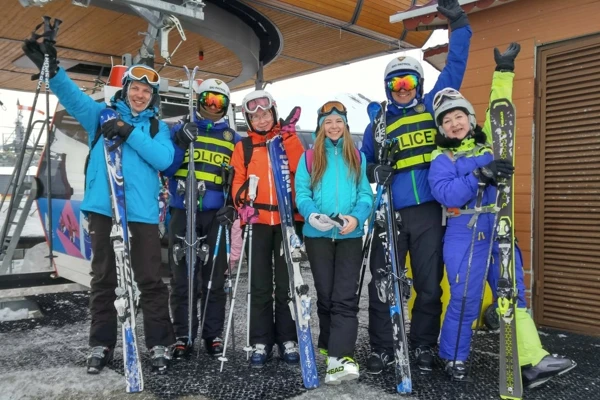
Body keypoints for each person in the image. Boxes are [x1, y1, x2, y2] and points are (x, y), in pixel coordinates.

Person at [22, 40, 176, 373]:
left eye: (146, 91)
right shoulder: (101, 117)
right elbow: (74, 98)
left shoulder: (156, 128)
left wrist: (128, 131)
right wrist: (53, 70)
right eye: (135, 88)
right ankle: (101, 344)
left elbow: (164, 160)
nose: (140, 95)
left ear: (152, 97)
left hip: (142, 214)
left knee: (150, 279)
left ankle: (160, 343)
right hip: (105, 210)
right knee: (104, 278)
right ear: (126, 89)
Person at [428, 43, 576, 386]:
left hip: (499, 227)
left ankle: (531, 360)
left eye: (458, 116)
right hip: (465, 230)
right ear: (442, 129)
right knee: (466, 298)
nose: (454, 124)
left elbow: (500, 114)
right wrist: (479, 175)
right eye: (447, 121)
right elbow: (446, 193)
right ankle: (453, 357)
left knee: (513, 295)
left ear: (470, 118)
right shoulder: (442, 159)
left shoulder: (490, 148)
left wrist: (504, 72)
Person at [360, 0, 473, 373]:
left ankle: (424, 344)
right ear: (388, 88)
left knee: (428, 283)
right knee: (382, 282)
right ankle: (382, 347)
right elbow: (363, 163)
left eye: (408, 82)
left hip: (427, 211)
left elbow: (455, 66)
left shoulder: (432, 108)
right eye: (396, 83)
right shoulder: (379, 124)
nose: (402, 89)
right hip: (389, 212)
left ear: (419, 84)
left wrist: (459, 23)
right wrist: (374, 170)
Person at [294, 101, 373, 384]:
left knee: (345, 297)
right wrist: (311, 215)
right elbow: (301, 193)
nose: (334, 126)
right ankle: (329, 346)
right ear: (321, 127)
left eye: (339, 121)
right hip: (318, 236)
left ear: (346, 125)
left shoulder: (357, 157)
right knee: (326, 295)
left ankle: (341, 358)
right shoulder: (309, 158)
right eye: (328, 122)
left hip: (349, 235)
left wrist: (357, 217)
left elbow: (366, 194)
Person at [161, 78, 241, 358]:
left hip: (216, 215)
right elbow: (167, 168)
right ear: (199, 100)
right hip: (183, 212)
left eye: (219, 102)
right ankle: (183, 334)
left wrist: (232, 205)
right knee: (182, 277)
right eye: (208, 99)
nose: (213, 106)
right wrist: (180, 142)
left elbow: (239, 178)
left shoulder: (233, 139)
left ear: (226, 105)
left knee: (214, 277)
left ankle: (212, 334)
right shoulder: (179, 130)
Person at [230, 90, 305, 367]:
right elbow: (237, 181)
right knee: (260, 284)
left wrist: (290, 139)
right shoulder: (244, 147)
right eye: (255, 116)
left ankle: (288, 338)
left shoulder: (287, 139)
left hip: (287, 221)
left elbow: (302, 171)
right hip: (257, 222)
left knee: (286, 284)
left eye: (265, 114)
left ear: (274, 113)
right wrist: (242, 205)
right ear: (248, 120)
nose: (261, 120)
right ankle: (261, 340)